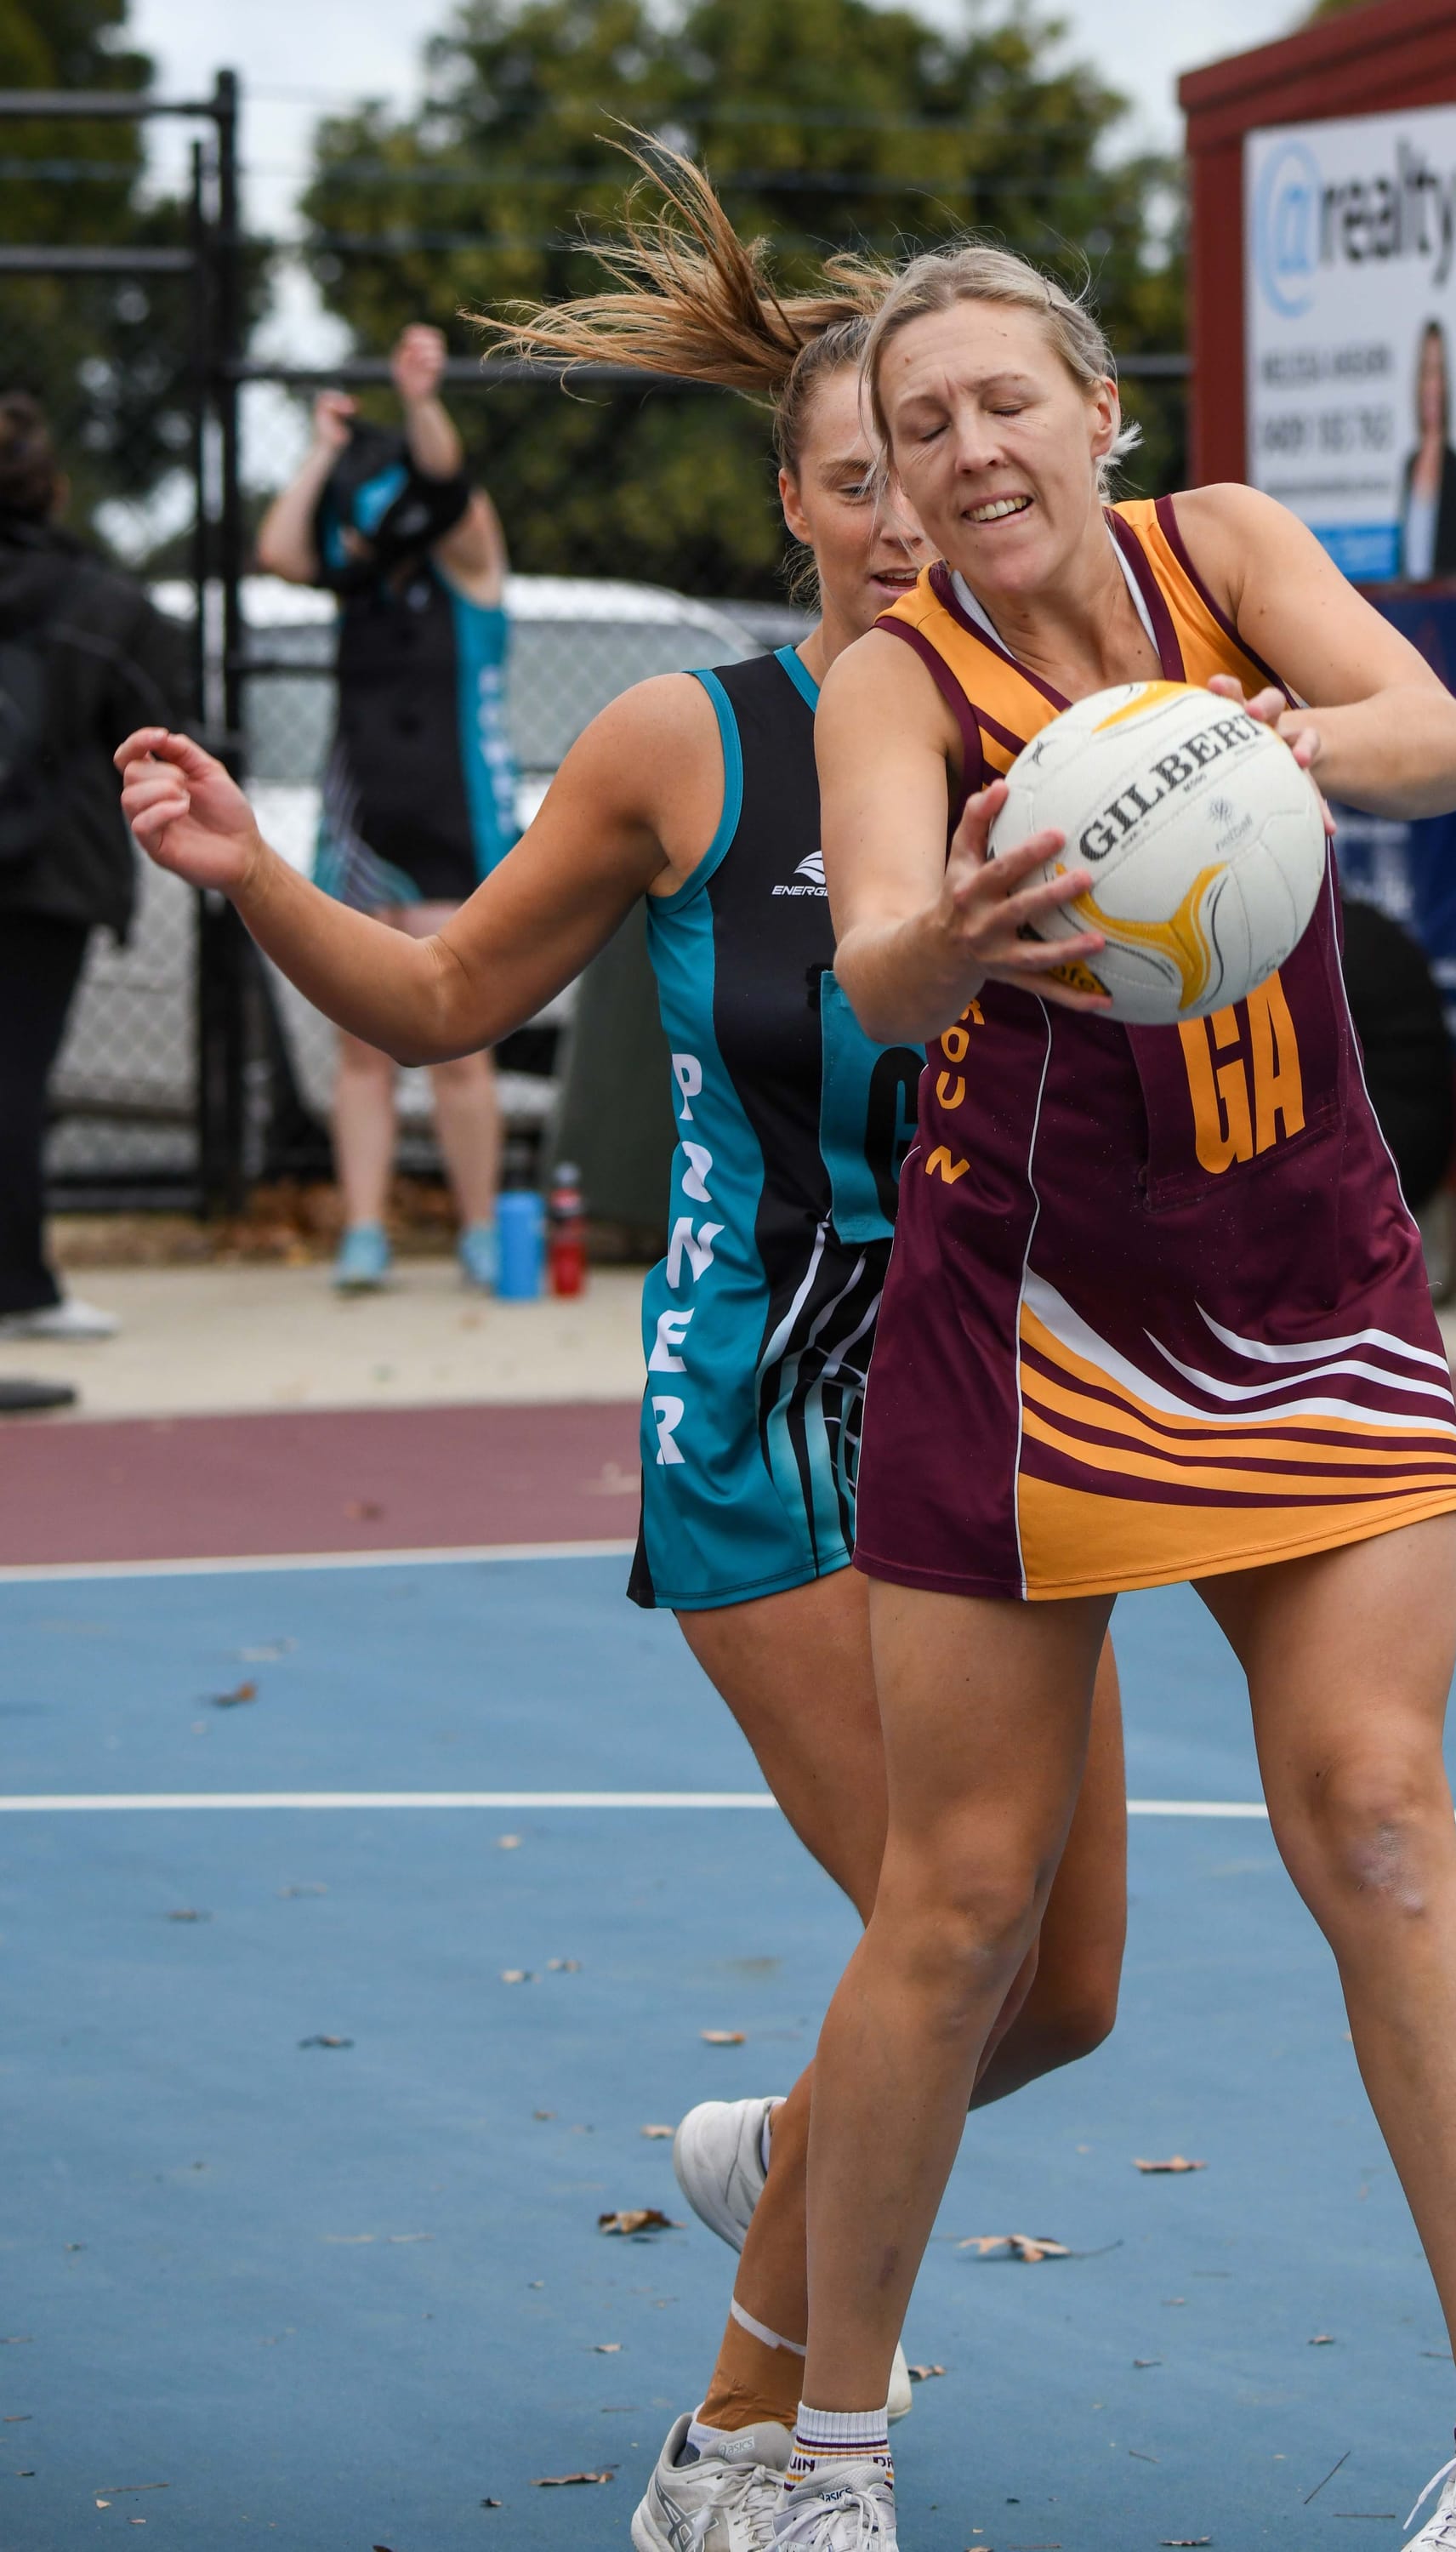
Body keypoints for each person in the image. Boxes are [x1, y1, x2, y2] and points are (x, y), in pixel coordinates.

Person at [115, 150, 1129, 2552]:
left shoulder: (1089, 752)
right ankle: (742, 2447)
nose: (909, 518)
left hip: (1007, 1418)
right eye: (861, 477)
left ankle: (789, 2152)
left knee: (1059, 1994)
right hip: (772, 1415)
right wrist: (264, 881)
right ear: (795, 495)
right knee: (949, 1944)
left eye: (937, 470)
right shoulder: (701, 737)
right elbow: (457, 990)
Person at [776, 248, 1456, 2552]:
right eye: (923, 428)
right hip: (1032, 1339)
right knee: (960, 1913)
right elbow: (877, 957)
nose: (969, 452)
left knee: (1380, 1813)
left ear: (1095, 410)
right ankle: (827, 2462)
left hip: (1312, 1290)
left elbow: (1440, 734)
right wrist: (974, 926)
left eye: (1005, 402)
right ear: (899, 484)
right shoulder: (891, 676)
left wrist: (1234, 761)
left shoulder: (1226, 552)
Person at [255, 324, 520, 1292]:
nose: (360, 527)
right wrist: (325, 448)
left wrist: (418, 399)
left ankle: (481, 1229)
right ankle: (363, 1231)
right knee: (361, 1049)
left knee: (459, 1047)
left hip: (457, 828)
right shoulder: (353, 589)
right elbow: (279, 550)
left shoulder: (467, 570)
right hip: (363, 831)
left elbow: (453, 492)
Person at [0, 390, 185, 1343]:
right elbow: (166, 715)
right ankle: (22, 1286)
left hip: (47, 867)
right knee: (18, 1075)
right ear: (53, 491)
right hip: (48, 871)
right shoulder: (100, 603)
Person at [1398, 320, 1456, 582]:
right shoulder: (1409, 464)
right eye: (1426, 371)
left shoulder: (1454, 463)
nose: (1432, 385)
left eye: (1438, 372)